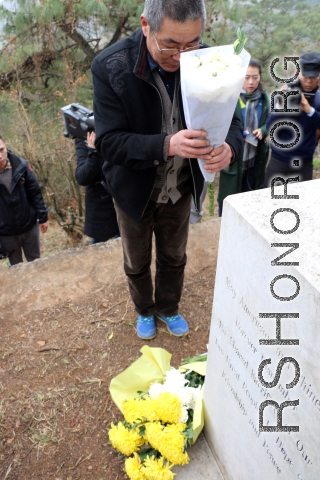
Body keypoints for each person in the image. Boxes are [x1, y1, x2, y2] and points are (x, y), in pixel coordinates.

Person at [91, 0, 243, 340]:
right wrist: (167, 145)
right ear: (146, 25)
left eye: (192, 44)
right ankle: (145, 310)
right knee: (137, 258)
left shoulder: (206, 61)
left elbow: (232, 116)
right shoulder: (111, 67)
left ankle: (168, 307)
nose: (181, 56)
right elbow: (110, 142)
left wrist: (231, 146)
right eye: (170, 44)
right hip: (134, 189)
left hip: (181, 184)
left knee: (175, 255)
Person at [218, 59, 270, 216]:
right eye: (246, 77)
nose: (251, 82)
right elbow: (220, 123)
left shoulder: (264, 99)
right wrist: (239, 134)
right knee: (229, 200)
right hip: (234, 157)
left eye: (255, 77)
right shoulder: (230, 98)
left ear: (260, 76)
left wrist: (263, 130)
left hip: (255, 158)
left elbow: (272, 120)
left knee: (251, 199)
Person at [264, 52, 320, 187]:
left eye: (313, 77)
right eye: (305, 76)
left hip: (304, 162)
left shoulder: (318, 99)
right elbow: (269, 128)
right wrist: (278, 107)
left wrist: (309, 110)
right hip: (279, 160)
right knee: (268, 200)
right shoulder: (287, 93)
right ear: (299, 72)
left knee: (300, 204)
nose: (308, 81)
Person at [0, 135, 48, 266]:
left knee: (36, 263)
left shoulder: (21, 166)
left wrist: (43, 217)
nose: (0, 155)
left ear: (5, 147)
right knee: (16, 269)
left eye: (1, 150)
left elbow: (35, 192)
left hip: (29, 226)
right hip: (6, 233)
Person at [75, 131, 120, 243]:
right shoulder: (86, 138)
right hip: (101, 211)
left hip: (125, 203)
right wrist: (93, 152)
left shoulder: (119, 130)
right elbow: (82, 177)